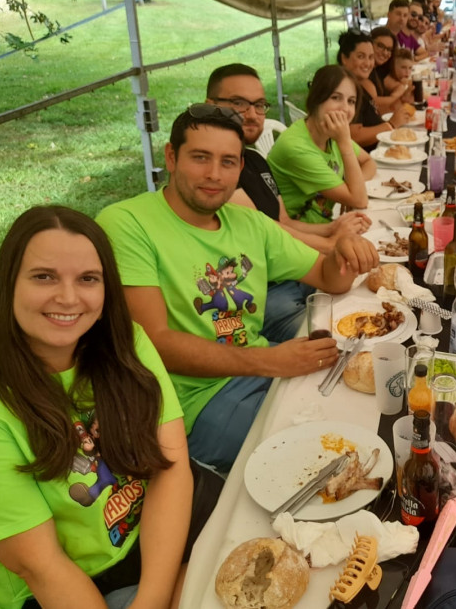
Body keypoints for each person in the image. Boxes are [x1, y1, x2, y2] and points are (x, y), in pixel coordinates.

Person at [97, 105, 379, 473]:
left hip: (261, 369)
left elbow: (330, 280)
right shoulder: (127, 223)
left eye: (228, 162)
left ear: (241, 169)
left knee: (362, 409)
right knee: (324, 461)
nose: (214, 174)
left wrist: (341, 254)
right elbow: (155, 342)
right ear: (170, 156)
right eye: (200, 158)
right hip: (191, 403)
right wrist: (271, 361)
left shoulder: (248, 222)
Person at [0, 206, 205, 609]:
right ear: (7, 283)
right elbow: (42, 567)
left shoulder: (125, 343)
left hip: (156, 529)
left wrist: (155, 596)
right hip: (75, 583)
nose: (69, 298)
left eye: (88, 279)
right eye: (44, 277)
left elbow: (170, 466)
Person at [204, 64, 371, 346]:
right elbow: (271, 230)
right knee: (343, 340)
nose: (252, 113)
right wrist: (332, 244)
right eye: (238, 103)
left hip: (293, 271)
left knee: (365, 307)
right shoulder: (216, 179)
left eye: (259, 105)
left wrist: (334, 229)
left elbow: (283, 221)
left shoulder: (255, 161)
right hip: (265, 291)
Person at [269, 63, 378, 221]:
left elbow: (368, 161)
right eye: (335, 98)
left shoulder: (330, 133)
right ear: (316, 99)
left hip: (327, 223)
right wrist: (345, 143)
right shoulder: (296, 147)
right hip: (300, 235)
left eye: (351, 101)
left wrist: (354, 185)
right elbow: (359, 200)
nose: (345, 109)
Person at [333, 30, 408, 151]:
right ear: (344, 58)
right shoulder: (343, 91)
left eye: (370, 57)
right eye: (361, 56)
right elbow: (354, 136)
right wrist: (391, 125)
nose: (368, 63)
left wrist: (403, 100)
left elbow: (374, 113)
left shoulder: (358, 85)